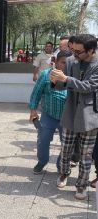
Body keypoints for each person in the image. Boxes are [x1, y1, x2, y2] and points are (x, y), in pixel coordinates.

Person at [50, 34, 98, 200]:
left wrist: (66, 79)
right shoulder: (71, 62)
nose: (74, 54)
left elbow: (88, 87)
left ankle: (81, 185)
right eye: (73, 50)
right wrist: (55, 80)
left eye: (78, 51)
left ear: (91, 50)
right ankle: (63, 174)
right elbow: (63, 85)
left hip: (89, 117)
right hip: (70, 113)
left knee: (86, 156)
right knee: (66, 150)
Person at [29, 50, 72, 174]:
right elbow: (36, 93)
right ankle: (42, 161)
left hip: (67, 118)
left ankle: (61, 165)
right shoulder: (45, 75)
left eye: (69, 63)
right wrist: (33, 110)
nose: (66, 66)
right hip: (49, 115)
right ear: (56, 62)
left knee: (67, 144)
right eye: (63, 62)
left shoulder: (74, 78)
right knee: (43, 139)